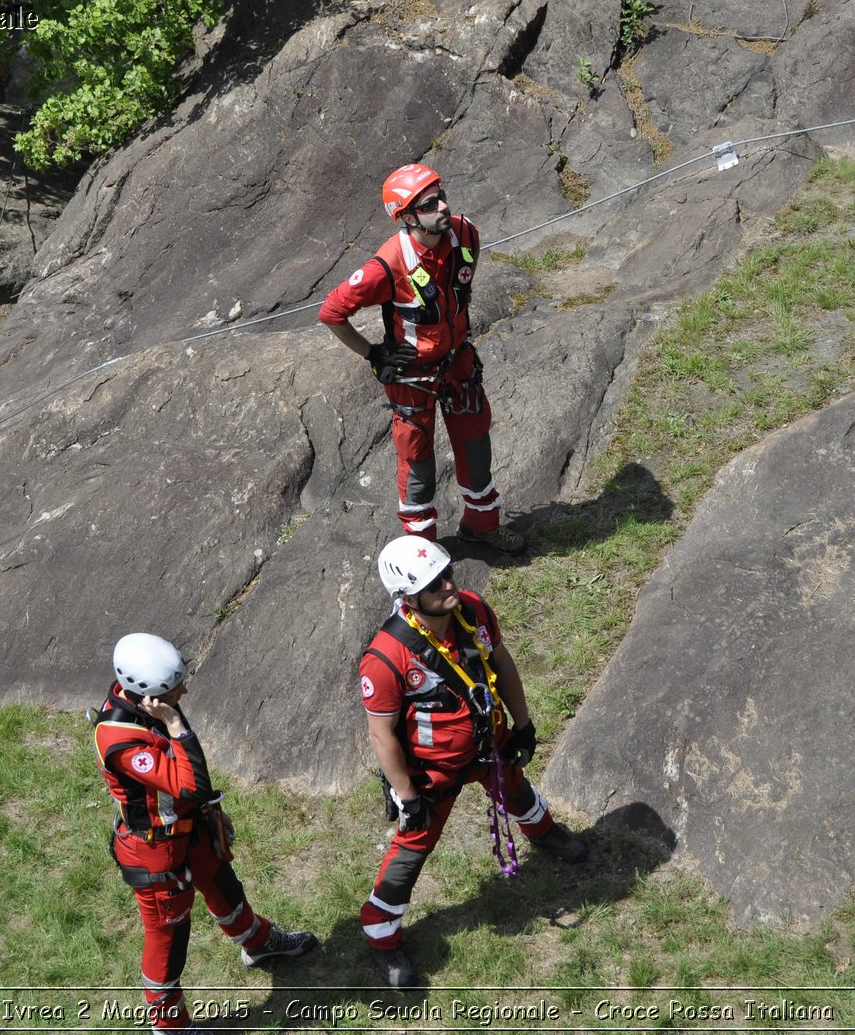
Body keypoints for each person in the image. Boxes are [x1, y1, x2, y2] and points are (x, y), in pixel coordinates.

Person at [357, 535, 587, 989]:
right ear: (408, 596)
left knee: (517, 791)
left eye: (446, 574)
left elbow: (501, 662)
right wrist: (405, 796)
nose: (448, 584)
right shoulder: (385, 659)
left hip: (489, 743)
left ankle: (544, 833)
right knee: (410, 851)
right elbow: (382, 736)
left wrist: (521, 725)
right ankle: (381, 936)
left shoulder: (474, 611)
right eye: (433, 582)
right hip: (431, 774)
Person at [93, 633, 317, 1031]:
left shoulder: (152, 703)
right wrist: (176, 724)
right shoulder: (121, 740)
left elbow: (192, 780)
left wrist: (211, 809)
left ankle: (258, 944)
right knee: (168, 938)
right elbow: (189, 783)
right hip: (155, 852)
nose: (184, 689)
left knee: (224, 887)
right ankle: (169, 1026)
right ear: (149, 694)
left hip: (189, 829)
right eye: (174, 688)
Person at [319, 163, 527, 554]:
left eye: (442, 196)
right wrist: (373, 354)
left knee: (476, 447)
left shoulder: (464, 233)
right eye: (430, 204)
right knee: (417, 463)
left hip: (459, 366)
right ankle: (423, 552)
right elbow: (332, 312)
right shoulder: (388, 264)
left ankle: (482, 525)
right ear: (408, 217)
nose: (443, 207)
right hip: (412, 377)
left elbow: (462, 282)